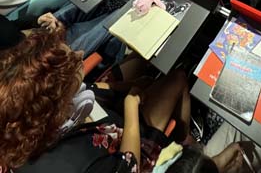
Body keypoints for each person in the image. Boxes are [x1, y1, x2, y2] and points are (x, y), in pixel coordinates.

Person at [0, 27, 192, 172]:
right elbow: (129, 165)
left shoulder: (30, 118)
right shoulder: (69, 163)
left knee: (144, 54)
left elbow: (92, 88)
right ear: (57, 100)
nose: (81, 54)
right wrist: (131, 107)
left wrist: (126, 86)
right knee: (178, 78)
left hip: (109, 117)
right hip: (133, 147)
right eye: (74, 60)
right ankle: (185, 141)